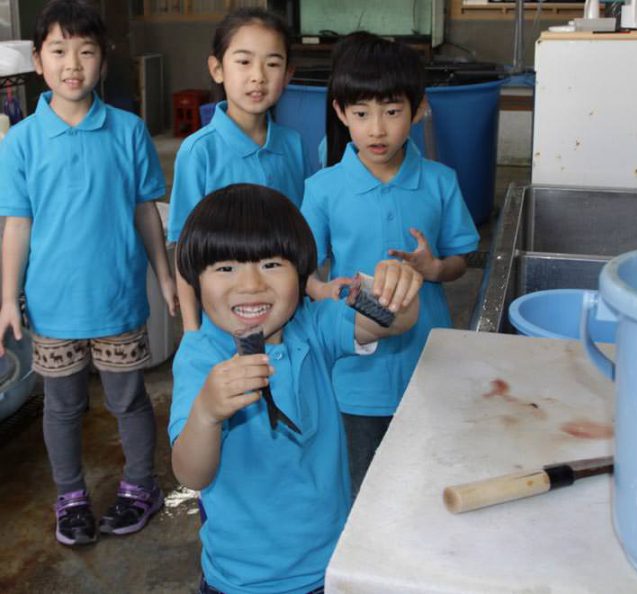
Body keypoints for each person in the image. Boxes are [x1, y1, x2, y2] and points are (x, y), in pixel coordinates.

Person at [170, 183, 422, 594]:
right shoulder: (200, 357)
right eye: (225, 267)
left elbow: (393, 322)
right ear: (195, 279)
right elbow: (191, 473)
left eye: (271, 264)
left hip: (330, 563)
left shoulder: (314, 326)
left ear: (302, 275)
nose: (250, 285)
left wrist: (396, 290)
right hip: (241, 579)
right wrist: (205, 413)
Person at [0, 0, 176, 546]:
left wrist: (165, 275)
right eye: (58, 50)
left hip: (117, 300)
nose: (72, 62)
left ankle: (139, 485)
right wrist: (8, 296)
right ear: (38, 59)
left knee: (128, 399)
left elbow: (147, 209)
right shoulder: (23, 141)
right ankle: (70, 495)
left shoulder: (127, 131)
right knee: (62, 405)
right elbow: (17, 225)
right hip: (51, 305)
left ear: (103, 60)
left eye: (86, 51)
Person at [302, 33, 480, 498]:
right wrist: (323, 290)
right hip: (354, 372)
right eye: (361, 114)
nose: (376, 129)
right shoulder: (323, 189)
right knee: (361, 490)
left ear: (418, 109)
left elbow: (462, 259)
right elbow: (301, 271)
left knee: (426, 481)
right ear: (341, 113)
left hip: (429, 361)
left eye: (392, 111)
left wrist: (434, 268)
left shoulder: (440, 182)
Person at [168, 8, 308, 333]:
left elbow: (301, 237)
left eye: (272, 63)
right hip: (222, 319)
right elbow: (184, 249)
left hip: (284, 317)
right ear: (217, 69)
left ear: (288, 75)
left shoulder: (293, 145)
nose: (258, 75)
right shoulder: (199, 151)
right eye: (244, 62)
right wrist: (192, 330)